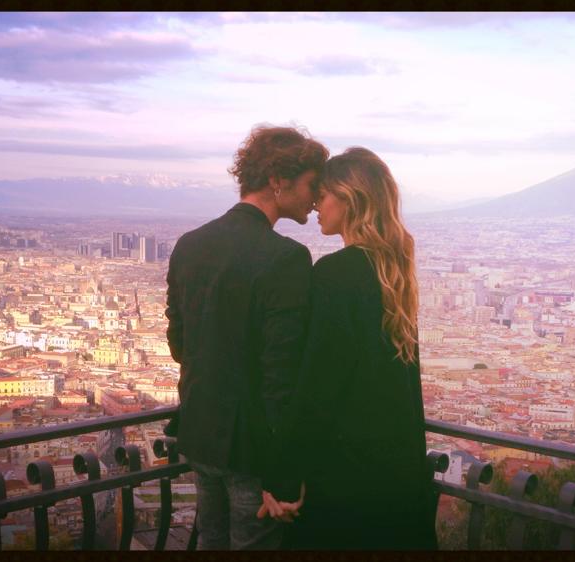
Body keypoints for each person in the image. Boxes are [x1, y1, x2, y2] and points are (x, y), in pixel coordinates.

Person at [260, 147, 437, 550]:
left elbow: (318, 384)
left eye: (323, 195)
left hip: (346, 478)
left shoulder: (336, 273)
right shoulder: (393, 271)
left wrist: (283, 476)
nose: (316, 206)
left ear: (349, 198)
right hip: (394, 478)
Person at [165, 125, 328, 550]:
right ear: (279, 181)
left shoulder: (190, 244)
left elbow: (179, 344)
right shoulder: (286, 259)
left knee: (210, 543)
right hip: (251, 449)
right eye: (312, 184)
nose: (316, 197)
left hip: (201, 434)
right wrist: (284, 471)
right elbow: (282, 375)